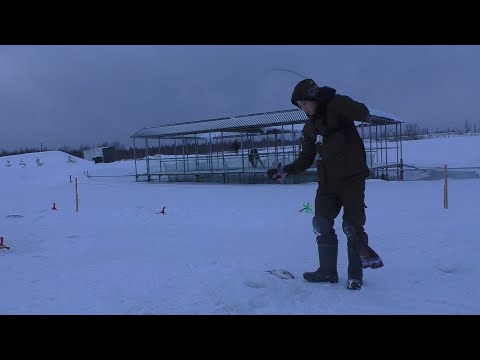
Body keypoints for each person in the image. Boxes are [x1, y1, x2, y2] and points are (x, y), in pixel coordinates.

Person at [267, 79, 383, 290]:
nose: (302, 108)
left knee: (352, 227)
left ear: (314, 98)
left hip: (351, 179)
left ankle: (355, 275)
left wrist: (335, 99)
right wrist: (285, 171)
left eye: (304, 103)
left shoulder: (338, 108)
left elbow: (362, 112)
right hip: (327, 183)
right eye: (299, 105)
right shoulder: (309, 127)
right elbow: (305, 159)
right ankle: (327, 272)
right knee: (321, 223)